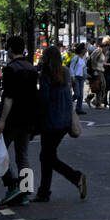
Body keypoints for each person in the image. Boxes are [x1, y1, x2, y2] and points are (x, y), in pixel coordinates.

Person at [33, 46, 86, 203]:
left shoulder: (46, 75)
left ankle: (76, 177)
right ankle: (43, 192)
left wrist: (35, 123)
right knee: (48, 156)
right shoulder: (65, 71)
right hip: (64, 121)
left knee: (46, 157)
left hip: (51, 122)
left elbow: (44, 100)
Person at [0, 35, 37, 208]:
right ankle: (26, 192)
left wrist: (2, 120)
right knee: (23, 156)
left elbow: (9, 97)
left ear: (10, 49)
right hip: (28, 119)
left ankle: (12, 186)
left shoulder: (10, 69)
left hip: (12, 119)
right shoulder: (31, 68)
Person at [70, 42, 88, 115]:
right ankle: (68, 102)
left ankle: (79, 109)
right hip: (76, 77)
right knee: (77, 94)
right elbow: (71, 67)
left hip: (81, 77)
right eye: (85, 49)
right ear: (82, 50)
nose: (86, 50)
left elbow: (84, 68)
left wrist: (85, 76)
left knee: (81, 95)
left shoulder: (83, 58)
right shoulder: (76, 57)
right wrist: (72, 76)